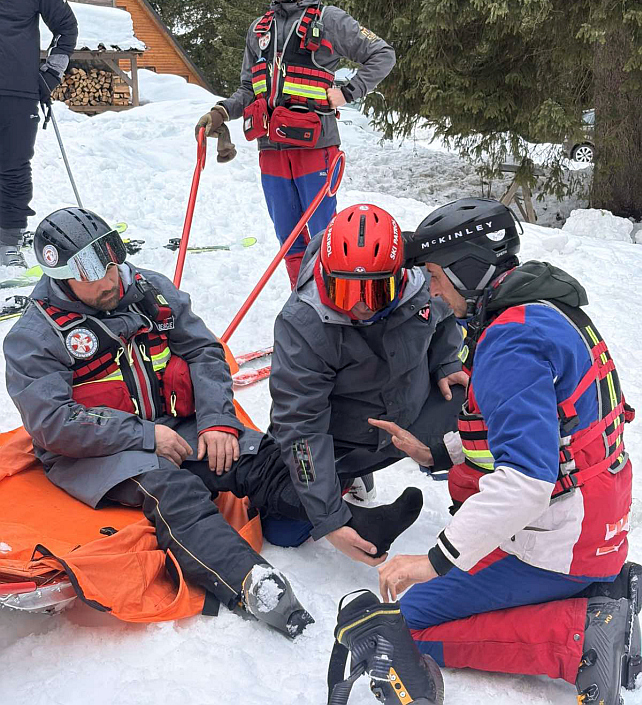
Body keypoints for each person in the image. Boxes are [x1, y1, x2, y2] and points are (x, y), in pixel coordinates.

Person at [3, 207, 421, 636]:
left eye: (112, 262)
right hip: (101, 451)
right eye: (92, 274)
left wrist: (218, 421)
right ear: (61, 277)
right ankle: (252, 583)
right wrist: (146, 437)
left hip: (174, 423)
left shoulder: (149, 291)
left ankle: (357, 524)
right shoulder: (35, 337)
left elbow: (205, 352)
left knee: (264, 459)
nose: (110, 279)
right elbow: (54, 421)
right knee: (172, 489)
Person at [375, 197, 640, 703]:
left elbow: (525, 480)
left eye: (433, 275)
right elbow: (543, 430)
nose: (430, 289)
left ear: (468, 270)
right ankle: (606, 592)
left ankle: (581, 634)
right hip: (596, 522)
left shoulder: (510, 343)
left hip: (563, 541)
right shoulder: (541, 312)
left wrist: (431, 561)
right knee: (460, 571)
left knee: (404, 624)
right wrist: (438, 454)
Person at [268, 203, 467, 565]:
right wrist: (329, 520)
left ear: (400, 275)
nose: (360, 305)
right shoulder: (303, 323)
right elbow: (299, 428)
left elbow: (444, 320)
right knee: (282, 528)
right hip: (348, 437)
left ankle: (477, 511)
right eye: (346, 292)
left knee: (479, 408)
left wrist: (446, 361)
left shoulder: (423, 286)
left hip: (412, 416)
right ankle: (348, 481)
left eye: (374, 292)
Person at [194, 0, 396, 287]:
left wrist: (349, 91)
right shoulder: (259, 29)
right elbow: (248, 88)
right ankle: (302, 303)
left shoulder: (329, 20)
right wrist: (220, 113)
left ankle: (333, 302)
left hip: (315, 148)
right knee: (289, 240)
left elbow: (382, 54)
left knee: (323, 239)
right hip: (271, 151)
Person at [0, 0, 78, 267]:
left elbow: (66, 28)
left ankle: (8, 241)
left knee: (13, 166)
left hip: (18, 91)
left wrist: (51, 74)